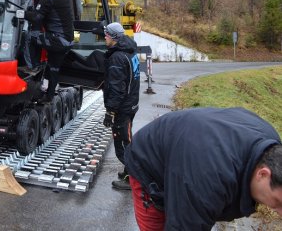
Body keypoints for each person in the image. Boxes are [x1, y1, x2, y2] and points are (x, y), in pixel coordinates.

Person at [124, 107, 282, 230]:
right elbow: (185, 225)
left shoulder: (271, 143)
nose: (280, 213)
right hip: (150, 163)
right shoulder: (208, 181)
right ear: (263, 174)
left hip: (190, 151)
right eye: (278, 203)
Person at [101, 22, 140, 190]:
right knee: (127, 139)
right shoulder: (129, 51)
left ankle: (133, 178)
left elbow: (117, 89)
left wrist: (110, 112)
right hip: (131, 104)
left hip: (123, 108)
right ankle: (128, 172)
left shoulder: (117, 58)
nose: (104, 37)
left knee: (122, 145)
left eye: (107, 35)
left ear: (114, 38)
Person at [23, 0, 74, 103]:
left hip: (57, 40)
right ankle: (49, 96)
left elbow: (36, 17)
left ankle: (32, 66)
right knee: (54, 68)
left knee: (30, 36)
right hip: (67, 40)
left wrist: (21, 13)